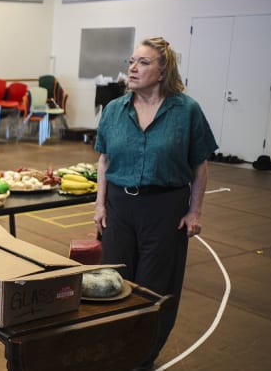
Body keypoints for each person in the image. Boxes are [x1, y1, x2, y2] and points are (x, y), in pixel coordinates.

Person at [93, 36, 217, 371]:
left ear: (162, 71)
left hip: (165, 210)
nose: (132, 68)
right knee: (114, 282)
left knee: (154, 290)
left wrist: (195, 211)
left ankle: (143, 358)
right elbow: (103, 160)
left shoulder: (186, 111)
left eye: (143, 63)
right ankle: (114, 352)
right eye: (131, 62)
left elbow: (200, 164)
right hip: (120, 207)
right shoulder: (115, 110)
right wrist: (100, 205)